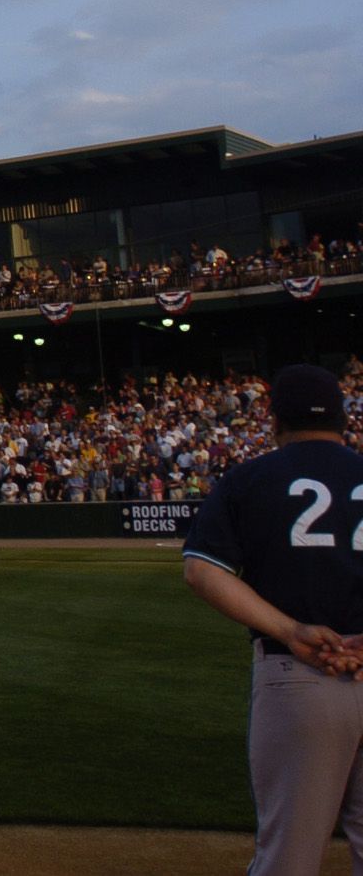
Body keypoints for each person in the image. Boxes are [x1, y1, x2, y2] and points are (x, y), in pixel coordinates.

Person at [183, 363, 363, 875]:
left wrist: (291, 630)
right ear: (342, 416)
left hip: (298, 678)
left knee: (289, 856)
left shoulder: (251, 478)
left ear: (274, 417)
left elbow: (201, 571)